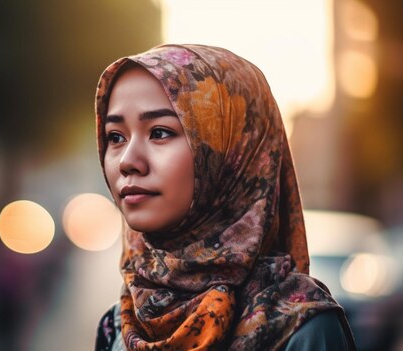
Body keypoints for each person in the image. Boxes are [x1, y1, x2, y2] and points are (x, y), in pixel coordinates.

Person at [93, 44, 356, 351]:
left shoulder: (298, 328)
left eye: (160, 132)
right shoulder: (120, 325)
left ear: (234, 154)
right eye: (115, 137)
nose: (127, 161)